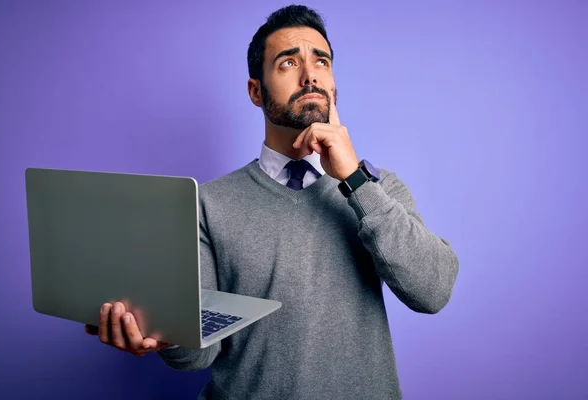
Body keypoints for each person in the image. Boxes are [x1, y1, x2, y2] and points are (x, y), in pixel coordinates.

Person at [85, 5, 459, 399]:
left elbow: (432, 292)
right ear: (255, 91)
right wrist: (166, 335)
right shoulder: (206, 205)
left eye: (321, 61)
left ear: (334, 88)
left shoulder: (379, 189)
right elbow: (199, 354)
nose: (310, 74)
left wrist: (354, 181)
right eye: (288, 63)